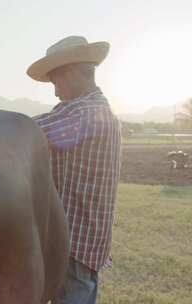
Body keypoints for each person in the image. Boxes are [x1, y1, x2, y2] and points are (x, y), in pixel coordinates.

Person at [28, 36, 122, 303]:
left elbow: (28, 131)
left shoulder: (86, 112)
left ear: (69, 72)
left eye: (55, 81)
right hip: (82, 238)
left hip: (75, 242)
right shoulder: (90, 109)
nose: (55, 91)